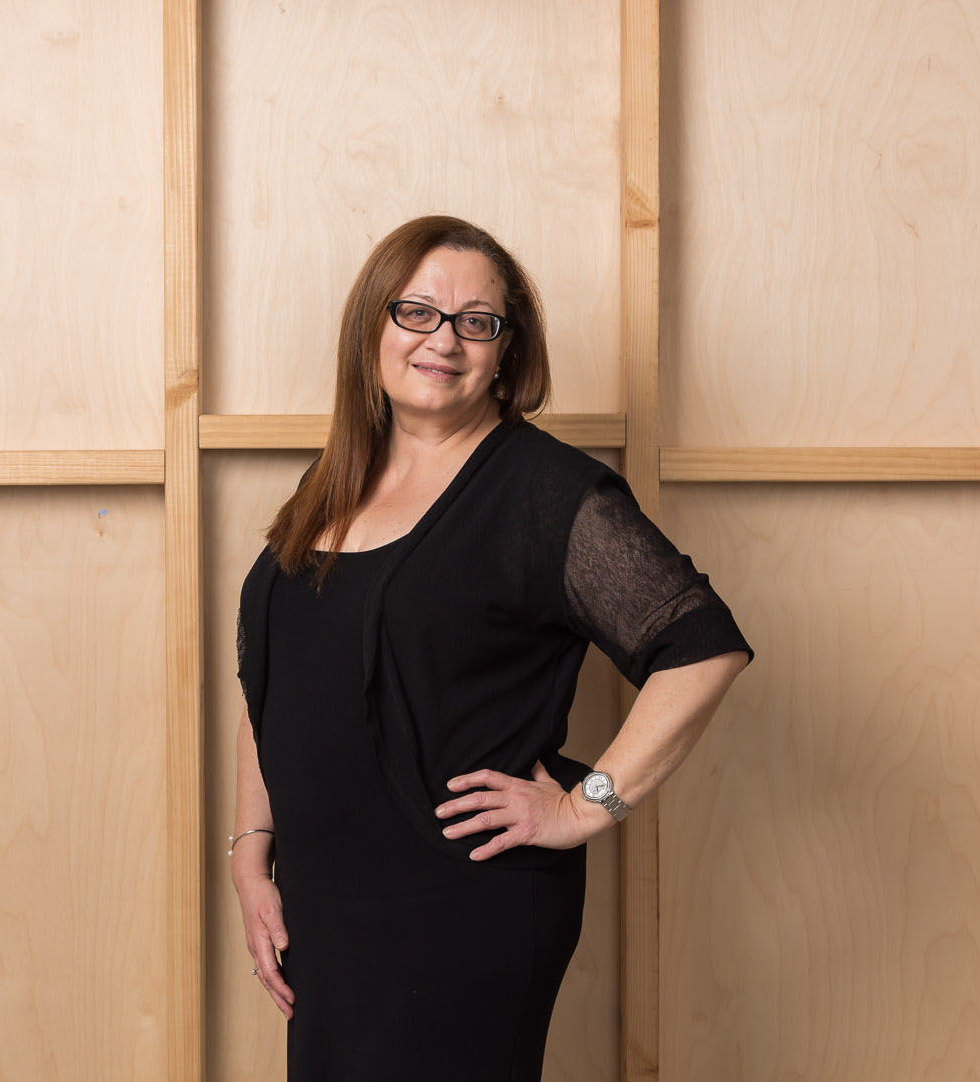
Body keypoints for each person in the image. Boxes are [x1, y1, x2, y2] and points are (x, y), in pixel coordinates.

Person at [229, 215, 753, 1081]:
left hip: (461, 912)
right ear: (374, 328)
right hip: (330, 912)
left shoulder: (543, 494)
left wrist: (585, 807)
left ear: (506, 351)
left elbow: (703, 649)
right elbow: (275, 683)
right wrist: (253, 848)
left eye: (478, 321)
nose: (445, 339)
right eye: (418, 312)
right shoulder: (334, 483)